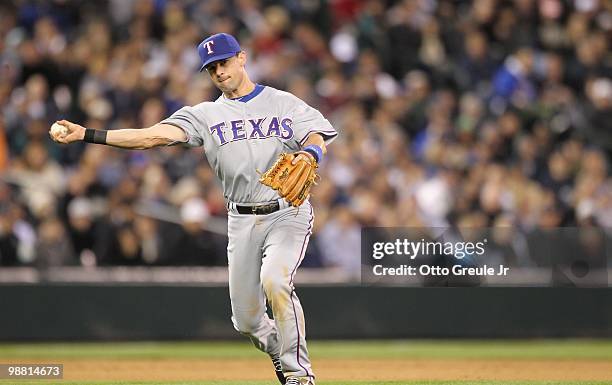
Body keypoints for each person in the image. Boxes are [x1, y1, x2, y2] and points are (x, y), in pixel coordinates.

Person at [50, 33, 337, 385]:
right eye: (212, 67)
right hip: (241, 219)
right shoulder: (205, 114)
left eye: (225, 62)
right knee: (246, 320)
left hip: (286, 212)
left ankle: (299, 376)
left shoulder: (281, 102)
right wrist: (87, 135)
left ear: (242, 58)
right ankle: (281, 352)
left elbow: (316, 135)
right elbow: (151, 136)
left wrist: (311, 153)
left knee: (275, 281)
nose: (219, 71)